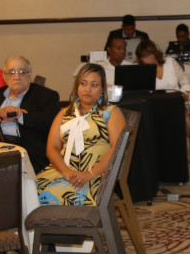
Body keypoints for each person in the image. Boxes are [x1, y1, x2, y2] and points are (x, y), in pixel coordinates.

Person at [36, 64, 127, 206]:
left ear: (102, 89)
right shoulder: (65, 112)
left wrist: (90, 174)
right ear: (76, 87)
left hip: (95, 174)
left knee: (47, 196)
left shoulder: (111, 112)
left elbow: (118, 148)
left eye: (94, 85)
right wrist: (66, 172)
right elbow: (52, 148)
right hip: (63, 171)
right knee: (27, 192)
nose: (88, 89)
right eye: (83, 83)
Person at [136, 39, 190, 163]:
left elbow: (184, 81)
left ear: (154, 53)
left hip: (175, 101)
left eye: (146, 56)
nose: (144, 60)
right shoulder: (143, 71)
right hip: (157, 104)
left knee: (185, 115)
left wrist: (186, 92)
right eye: (142, 57)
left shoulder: (170, 62)